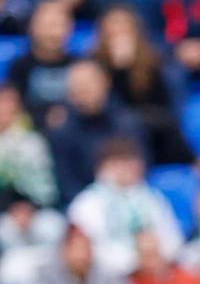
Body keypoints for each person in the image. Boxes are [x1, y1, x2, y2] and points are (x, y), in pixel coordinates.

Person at [93, 3, 193, 168]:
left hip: (153, 124)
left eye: (124, 27)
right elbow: (108, 106)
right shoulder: (95, 63)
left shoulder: (154, 59)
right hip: (113, 127)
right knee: (127, 122)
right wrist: (118, 72)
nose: (119, 34)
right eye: (113, 28)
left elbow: (164, 102)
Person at [67, 138, 183, 278]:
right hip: (110, 278)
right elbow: (85, 251)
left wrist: (154, 259)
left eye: (131, 162)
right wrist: (133, 263)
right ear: (102, 167)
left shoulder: (151, 197)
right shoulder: (86, 204)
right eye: (120, 163)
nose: (128, 169)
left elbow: (172, 237)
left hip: (156, 271)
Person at [47, 58, 145, 206]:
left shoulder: (127, 122)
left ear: (105, 82)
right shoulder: (62, 130)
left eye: (88, 85)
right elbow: (66, 183)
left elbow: (139, 169)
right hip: (84, 206)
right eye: (77, 87)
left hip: (129, 199)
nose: (83, 92)